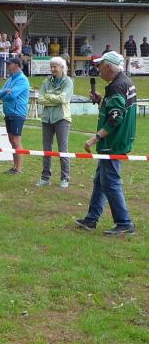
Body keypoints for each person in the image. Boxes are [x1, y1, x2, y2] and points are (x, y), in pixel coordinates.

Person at [75, 52, 137, 235]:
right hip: (119, 140)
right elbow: (117, 108)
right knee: (101, 181)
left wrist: (95, 138)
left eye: (100, 64)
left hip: (113, 143)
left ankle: (124, 223)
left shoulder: (117, 87)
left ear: (108, 66)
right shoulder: (124, 83)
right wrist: (101, 100)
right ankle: (91, 219)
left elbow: (115, 118)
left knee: (110, 182)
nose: (98, 68)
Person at [33, 57, 74, 188]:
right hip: (46, 119)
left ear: (62, 67)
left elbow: (63, 99)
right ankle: (45, 177)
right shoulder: (46, 82)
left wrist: (49, 97)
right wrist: (54, 99)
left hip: (62, 119)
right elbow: (40, 99)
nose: (52, 69)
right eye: (51, 66)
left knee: (63, 149)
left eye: (55, 66)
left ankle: (65, 178)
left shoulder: (68, 82)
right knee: (46, 149)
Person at [0, 57, 30, 175]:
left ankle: (19, 168)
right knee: (11, 140)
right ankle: (14, 166)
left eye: (9, 64)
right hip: (9, 113)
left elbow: (12, 95)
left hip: (17, 113)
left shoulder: (22, 79)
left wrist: (5, 93)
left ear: (16, 65)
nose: (7, 66)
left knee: (16, 140)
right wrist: (5, 91)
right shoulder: (10, 79)